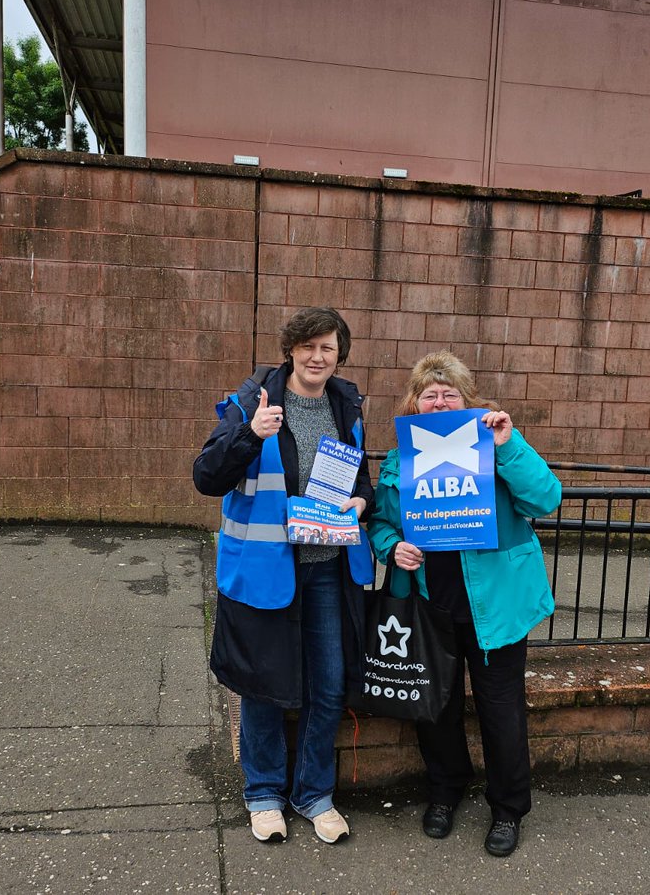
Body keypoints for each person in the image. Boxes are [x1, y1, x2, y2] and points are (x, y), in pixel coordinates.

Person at [367, 351, 562, 858]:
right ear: (414, 403)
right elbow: (382, 525)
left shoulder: (497, 445)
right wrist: (393, 547)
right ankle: (445, 790)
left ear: (467, 401)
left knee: (501, 711)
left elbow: (545, 498)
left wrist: (507, 444)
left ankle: (508, 807)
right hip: (432, 606)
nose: (439, 401)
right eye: (429, 394)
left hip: (496, 606)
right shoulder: (399, 461)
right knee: (436, 711)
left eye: (449, 393)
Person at [192, 307, 375, 845]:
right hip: (266, 567)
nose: (318, 357)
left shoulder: (347, 403)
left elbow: (360, 475)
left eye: (328, 347)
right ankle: (264, 793)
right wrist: (248, 434)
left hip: (328, 571)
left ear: (340, 353)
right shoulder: (256, 399)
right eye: (308, 346)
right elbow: (207, 476)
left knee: (329, 682)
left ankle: (314, 794)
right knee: (263, 684)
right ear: (290, 350)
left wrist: (361, 504)